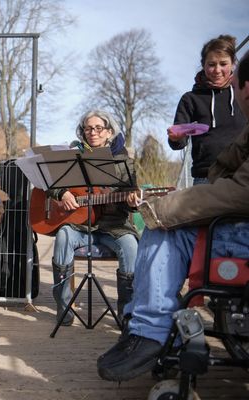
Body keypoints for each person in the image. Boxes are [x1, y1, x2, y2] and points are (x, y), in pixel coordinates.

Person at [97, 50, 249, 382]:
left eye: (232, 76)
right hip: (211, 183)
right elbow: (224, 167)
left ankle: (150, 331)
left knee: (163, 225)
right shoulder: (194, 99)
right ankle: (145, 326)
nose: (226, 79)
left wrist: (167, 207)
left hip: (233, 209)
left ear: (245, 87)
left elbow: (242, 191)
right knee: (166, 217)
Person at [47, 110, 139, 326]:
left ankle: (127, 313)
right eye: (88, 128)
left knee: (130, 246)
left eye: (98, 128)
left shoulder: (124, 161)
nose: (92, 132)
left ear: (109, 132)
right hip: (79, 225)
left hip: (114, 226)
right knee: (63, 235)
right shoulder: (73, 155)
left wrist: (134, 201)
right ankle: (64, 306)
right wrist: (62, 193)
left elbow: (131, 196)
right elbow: (49, 182)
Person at [168, 34, 246, 185]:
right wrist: (175, 137)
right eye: (211, 64)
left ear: (233, 64)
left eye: (223, 64)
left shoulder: (242, 93)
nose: (217, 70)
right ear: (203, 65)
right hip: (205, 177)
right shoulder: (190, 99)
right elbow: (178, 143)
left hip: (242, 175)